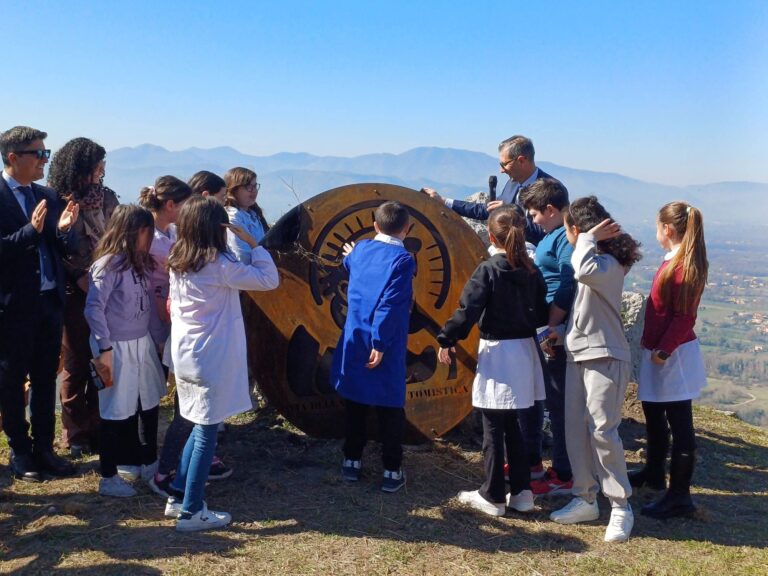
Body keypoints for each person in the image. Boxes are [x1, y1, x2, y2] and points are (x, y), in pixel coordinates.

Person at [165, 197, 279, 531]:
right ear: (218, 229)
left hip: (186, 354)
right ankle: (192, 511)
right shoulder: (220, 265)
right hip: (211, 357)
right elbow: (269, 280)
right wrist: (253, 244)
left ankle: (177, 495)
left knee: (194, 421)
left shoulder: (178, 259)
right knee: (206, 431)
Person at [437, 206, 548, 516]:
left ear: (490, 235)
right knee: (515, 424)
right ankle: (523, 492)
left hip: (498, 353)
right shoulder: (531, 270)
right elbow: (540, 313)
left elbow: (467, 310)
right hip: (525, 351)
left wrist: (446, 339)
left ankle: (493, 494)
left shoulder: (488, 270)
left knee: (493, 426)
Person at [549, 196, 642, 543]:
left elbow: (582, 270)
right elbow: (587, 311)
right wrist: (559, 333)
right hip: (580, 354)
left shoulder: (607, 263)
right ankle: (585, 496)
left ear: (576, 229)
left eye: (568, 230)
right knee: (576, 429)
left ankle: (620, 505)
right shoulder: (597, 261)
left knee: (603, 430)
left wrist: (586, 237)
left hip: (605, 355)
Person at [140, 177, 233, 497]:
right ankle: (164, 469)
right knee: (179, 408)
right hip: (162, 327)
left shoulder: (177, 241)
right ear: (171, 205)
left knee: (187, 407)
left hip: (176, 328)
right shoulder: (162, 243)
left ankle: (183, 465)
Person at [0, 126, 79, 482]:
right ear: (13, 157)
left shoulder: (46, 194)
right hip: (13, 307)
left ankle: (45, 447)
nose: (45, 161)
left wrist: (63, 231)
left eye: (47, 154)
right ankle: (20, 451)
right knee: (13, 380)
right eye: (39, 154)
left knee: (47, 378)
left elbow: (61, 249)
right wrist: (30, 233)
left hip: (49, 302)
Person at [631, 202, 708, 520]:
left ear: (667, 229)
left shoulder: (684, 265)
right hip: (659, 352)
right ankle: (653, 473)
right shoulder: (675, 260)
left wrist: (663, 350)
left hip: (672, 357)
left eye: (656, 226)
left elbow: (684, 317)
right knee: (653, 413)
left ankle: (680, 496)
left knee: (680, 426)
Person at [332, 200, 415, 493]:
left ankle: (351, 461)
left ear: (375, 226)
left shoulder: (362, 249)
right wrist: (380, 343)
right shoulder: (403, 261)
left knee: (355, 401)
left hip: (355, 337)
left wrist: (350, 255)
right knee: (390, 405)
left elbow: (349, 262)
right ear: (406, 229)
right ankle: (392, 470)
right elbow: (390, 304)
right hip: (386, 341)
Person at [84, 204, 167, 497]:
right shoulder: (108, 265)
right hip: (116, 347)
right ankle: (108, 476)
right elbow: (95, 308)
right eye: (148, 232)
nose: (151, 238)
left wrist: (158, 339)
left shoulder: (140, 263)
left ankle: (145, 460)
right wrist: (104, 347)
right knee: (115, 411)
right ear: (133, 232)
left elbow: (148, 310)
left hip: (141, 343)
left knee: (147, 402)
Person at [48, 137, 120, 458]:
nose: (102, 170)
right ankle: (76, 432)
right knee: (76, 361)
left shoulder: (107, 199)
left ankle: (101, 424)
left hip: (108, 290)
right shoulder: (54, 200)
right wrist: (77, 276)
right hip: (73, 294)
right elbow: (51, 247)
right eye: (97, 164)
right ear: (82, 168)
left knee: (103, 358)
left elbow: (119, 237)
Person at [520, 179, 576, 496]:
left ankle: (565, 472)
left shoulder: (564, 240)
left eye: (535, 214)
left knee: (558, 401)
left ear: (551, 209)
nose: (533, 220)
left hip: (553, 330)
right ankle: (554, 465)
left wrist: (552, 325)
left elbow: (569, 283)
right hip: (547, 327)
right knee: (550, 397)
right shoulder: (554, 235)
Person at [422, 135, 560, 245]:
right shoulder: (512, 184)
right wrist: (444, 202)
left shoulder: (551, 189)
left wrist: (511, 214)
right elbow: (488, 210)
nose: (501, 170)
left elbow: (549, 232)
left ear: (522, 160)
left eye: (504, 164)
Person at [224, 167, 270, 262]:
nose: (254, 191)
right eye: (248, 187)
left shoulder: (254, 214)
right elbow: (241, 256)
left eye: (255, 186)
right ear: (234, 190)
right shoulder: (232, 217)